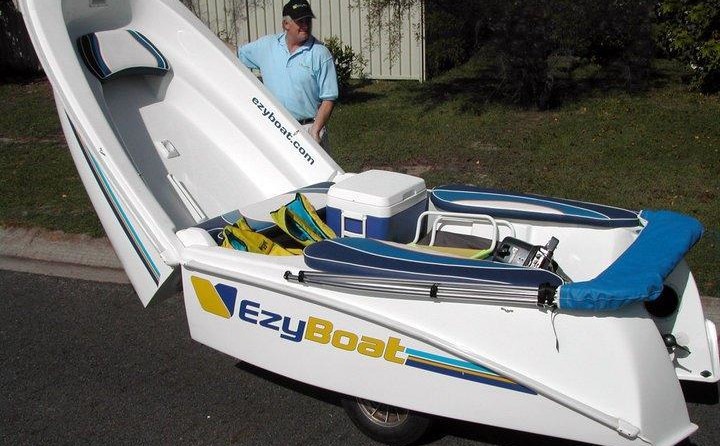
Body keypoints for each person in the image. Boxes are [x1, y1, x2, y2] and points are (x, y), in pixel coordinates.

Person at [237, 0, 338, 150]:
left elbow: (329, 98)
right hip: (274, 128)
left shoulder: (320, 54)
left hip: (308, 128)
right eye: (300, 21)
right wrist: (206, 39)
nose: (306, 25)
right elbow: (236, 54)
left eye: (308, 20)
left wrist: (316, 130)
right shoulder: (267, 46)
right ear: (286, 24)